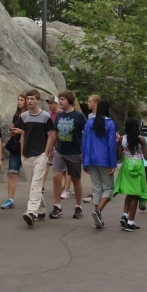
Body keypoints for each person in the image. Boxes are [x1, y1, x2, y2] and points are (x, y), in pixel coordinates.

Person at [21, 89, 56, 227]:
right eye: (27, 99)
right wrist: (21, 152)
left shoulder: (46, 116)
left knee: (36, 184)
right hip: (27, 154)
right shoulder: (23, 116)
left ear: (37, 100)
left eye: (32, 99)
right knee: (32, 184)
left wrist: (47, 151)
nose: (29, 101)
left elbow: (51, 134)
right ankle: (41, 210)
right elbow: (23, 135)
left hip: (40, 154)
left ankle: (31, 212)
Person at [51, 90, 87, 220]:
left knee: (76, 179)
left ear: (69, 101)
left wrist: (85, 151)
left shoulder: (79, 116)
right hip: (59, 150)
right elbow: (55, 133)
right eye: (59, 99)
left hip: (74, 152)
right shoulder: (59, 116)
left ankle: (78, 207)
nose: (60, 101)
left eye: (63, 99)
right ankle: (57, 206)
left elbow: (87, 134)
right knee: (56, 176)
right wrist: (50, 149)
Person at [82, 99, 117, 228]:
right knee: (108, 188)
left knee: (97, 188)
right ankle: (98, 211)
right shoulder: (110, 123)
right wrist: (112, 163)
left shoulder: (89, 122)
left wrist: (84, 162)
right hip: (104, 159)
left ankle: (98, 218)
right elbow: (111, 145)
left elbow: (84, 142)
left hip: (91, 159)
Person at [113, 117, 147, 230]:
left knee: (130, 192)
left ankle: (125, 215)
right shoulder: (141, 140)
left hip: (126, 167)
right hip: (138, 167)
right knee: (135, 195)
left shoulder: (122, 139)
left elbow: (118, 156)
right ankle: (130, 222)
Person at [2, 93, 26, 209]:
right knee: (12, 173)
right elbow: (12, 127)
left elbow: (32, 131)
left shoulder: (30, 115)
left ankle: (36, 199)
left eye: (22, 100)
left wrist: (21, 132)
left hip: (28, 148)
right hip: (16, 147)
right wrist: (11, 132)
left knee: (33, 175)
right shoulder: (16, 115)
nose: (19, 102)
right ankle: (10, 199)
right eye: (18, 99)